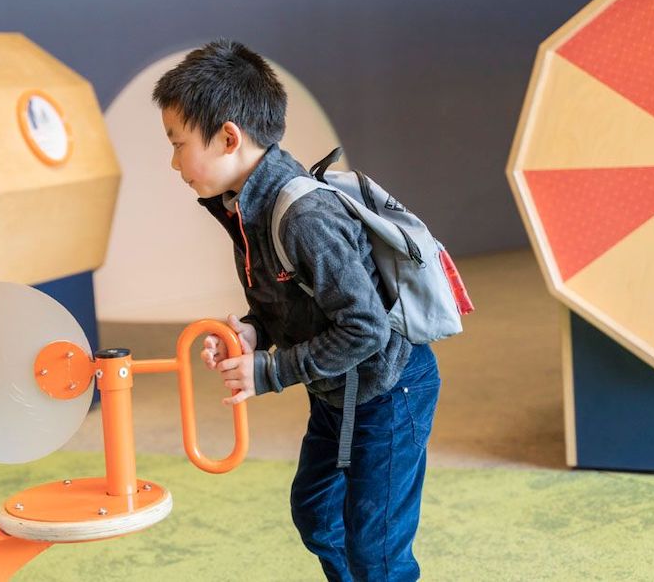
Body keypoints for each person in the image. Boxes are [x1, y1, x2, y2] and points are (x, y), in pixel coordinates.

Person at [152, 39, 441, 581]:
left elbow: (366, 328)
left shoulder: (303, 216)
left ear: (228, 137)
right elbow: (288, 302)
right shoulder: (245, 208)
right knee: (315, 515)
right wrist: (253, 334)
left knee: (377, 553)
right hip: (339, 391)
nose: (173, 162)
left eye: (178, 143)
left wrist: (271, 371)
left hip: (389, 389)